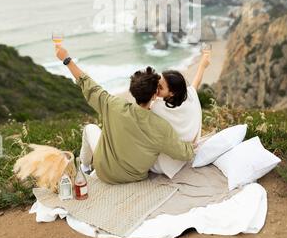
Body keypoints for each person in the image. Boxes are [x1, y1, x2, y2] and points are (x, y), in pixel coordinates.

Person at [55, 46, 195, 184]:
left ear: (132, 90)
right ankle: (86, 167)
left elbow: (88, 84)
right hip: (133, 177)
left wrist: (67, 60)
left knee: (89, 128)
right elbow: (184, 153)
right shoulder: (162, 127)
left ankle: (85, 167)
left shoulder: (113, 105)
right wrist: (193, 144)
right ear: (154, 96)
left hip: (103, 172)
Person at [150, 49, 211, 178]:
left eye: (160, 87)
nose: (156, 88)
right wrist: (202, 65)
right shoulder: (188, 96)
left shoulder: (157, 107)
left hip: (162, 165)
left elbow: (141, 112)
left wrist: (151, 98)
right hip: (182, 158)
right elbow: (196, 83)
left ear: (171, 93)